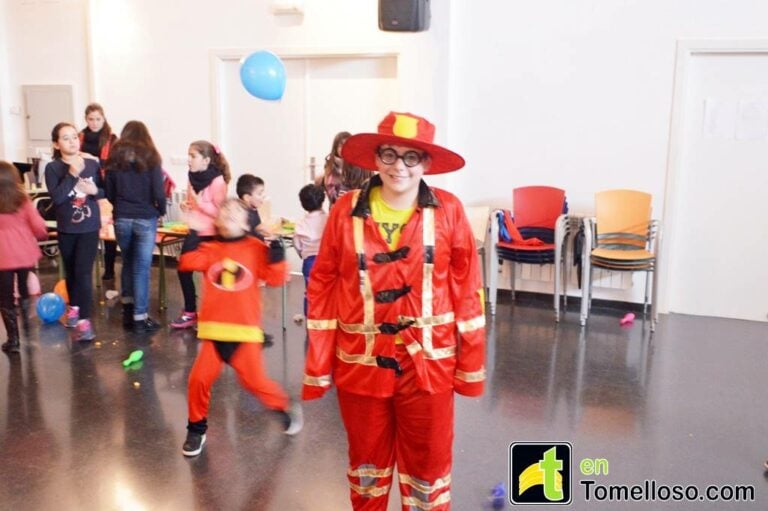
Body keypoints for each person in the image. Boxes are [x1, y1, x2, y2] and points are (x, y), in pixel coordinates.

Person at [302, 112, 486, 510]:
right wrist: (318, 364)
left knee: (428, 469)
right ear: (375, 158)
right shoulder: (345, 210)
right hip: (360, 366)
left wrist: (470, 367)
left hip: (429, 368)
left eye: (411, 156)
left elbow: (468, 289)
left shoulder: (450, 210)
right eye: (389, 154)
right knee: (366, 467)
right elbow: (323, 285)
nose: (399, 166)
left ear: (426, 163)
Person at [179, 199, 303, 457]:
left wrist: (276, 249)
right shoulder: (210, 248)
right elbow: (188, 262)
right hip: (214, 332)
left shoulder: (256, 248)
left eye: (236, 211)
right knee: (198, 380)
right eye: (225, 210)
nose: (229, 214)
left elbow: (276, 278)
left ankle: (283, 407)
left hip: (244, 332)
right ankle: (196, 429)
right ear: (217, 220)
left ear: (247, 223)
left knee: (255, 383)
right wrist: (193, 231)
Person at [105, 121, 166, 333]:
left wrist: (120, 207)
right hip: (145, 217)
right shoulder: (152, 157)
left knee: (127, 262)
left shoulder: (114, 158)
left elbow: (109, 192)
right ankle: (140, 318)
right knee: (141, 268)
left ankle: (128, 311)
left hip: (122, 217)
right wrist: (160, 210)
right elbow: (159, 192)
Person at [45, 122, 104, 341]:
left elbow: (104, 190)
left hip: (89, 227)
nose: (72, 142)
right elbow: (58, 198)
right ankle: (75, 308)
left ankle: (84, 321)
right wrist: (72, 173)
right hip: (67, 228)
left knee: (82, 272)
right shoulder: (52, 168)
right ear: (56, 144)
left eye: (74, 137)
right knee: (71, 272)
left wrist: (95, 190)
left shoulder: (92, 163)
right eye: (65, 138)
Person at [170, 140, 230, 330]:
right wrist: (186, 205)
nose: (189, 160)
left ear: (206, 160)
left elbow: (220, 212)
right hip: (195, 230)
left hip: (210, 234)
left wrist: (199, 204)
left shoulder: (218, 181)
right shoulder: (191, 178)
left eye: (193, 156)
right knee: (184, 269)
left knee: (210, 275)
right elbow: (192, 203)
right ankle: (190, 312)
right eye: (188, 155)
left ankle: (213, 315)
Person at [0, 161, 48, 353]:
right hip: (24, 252)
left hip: (3, 255)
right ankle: (28, 327)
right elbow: (37, 225)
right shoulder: (23, 200)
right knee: (24, 289)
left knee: (5, 297)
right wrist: (43, 235)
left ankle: (13, 339)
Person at [79, 103, 119, 281]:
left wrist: (95, 160)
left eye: (98, 119)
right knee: (86, 228)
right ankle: (85, 268)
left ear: (103, 119)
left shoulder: (112, 139)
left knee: (108, 229)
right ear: (86, 119)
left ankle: (109, 268)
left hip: (105, 186)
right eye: (91, 119)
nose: (94, 123)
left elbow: (115, 164)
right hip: (82, 185)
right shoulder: (79, 137)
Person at [293, 183, 327, 317]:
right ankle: (326, 317)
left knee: (310, 292)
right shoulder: (329, 219)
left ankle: (310, 318)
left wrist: (302, 254)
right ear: (322, 200)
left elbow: (297, 244)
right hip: (326, 261)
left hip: (309, 263)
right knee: (327, 290)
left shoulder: (300, 223)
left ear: (303, 204)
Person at [316, 131, 350, 206]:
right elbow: (330, 188)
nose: (344, 148)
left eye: (347, 145)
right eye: (340, 145)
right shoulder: (330, 165)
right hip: (336, 206)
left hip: (353, 205)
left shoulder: (357, 166)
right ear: (335, 147)